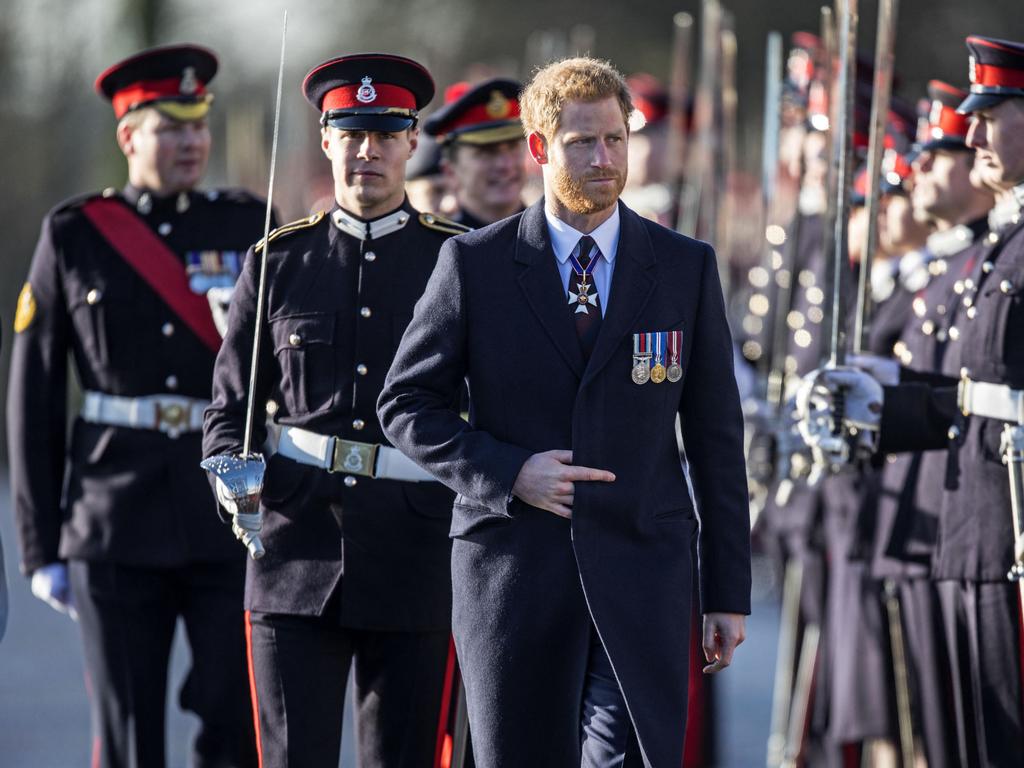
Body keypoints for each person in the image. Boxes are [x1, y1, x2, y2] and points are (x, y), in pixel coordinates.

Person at [378, 56, 750, 768]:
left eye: (616, 139)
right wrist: (508, 471)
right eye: (584, 142)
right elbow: (406, 403)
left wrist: (727, 591)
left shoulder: (683, 267)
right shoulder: (474, 267)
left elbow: (715, 437)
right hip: (512, 579)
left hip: (643, 574)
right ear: (541, 148)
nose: (605, 158)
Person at [6, 44, 269, 767]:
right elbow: (32, 400)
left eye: (199, 125)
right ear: (129, 137)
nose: (191, 142)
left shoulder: (251, 224)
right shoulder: (76, 233)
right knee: (127, 737)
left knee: (235, 726)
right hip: (111, 520)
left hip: (227, 515)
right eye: (170, 126)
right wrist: (41, 544)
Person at [203, 52, 468, 768]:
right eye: (350, 133)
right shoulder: (278, 261)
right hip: (294, 548)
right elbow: (230, 404)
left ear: (414, 142)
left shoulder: (459, 263)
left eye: (386, 134)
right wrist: (230, 470)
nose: (367, 152)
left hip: (418, 554)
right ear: (326, 140)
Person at [797, 34, 1024, 767]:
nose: (976, 133)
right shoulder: (1000, 245)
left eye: (993, 116)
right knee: (967, 740)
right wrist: (879, 399)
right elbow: (969, 394)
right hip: (970, 524)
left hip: (1002, 530)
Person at [424, 77, 526, 228]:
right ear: (450, 171)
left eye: (513, 147)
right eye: (486, 152)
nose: (505, 164)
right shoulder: (436, 247)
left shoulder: (560, 239)